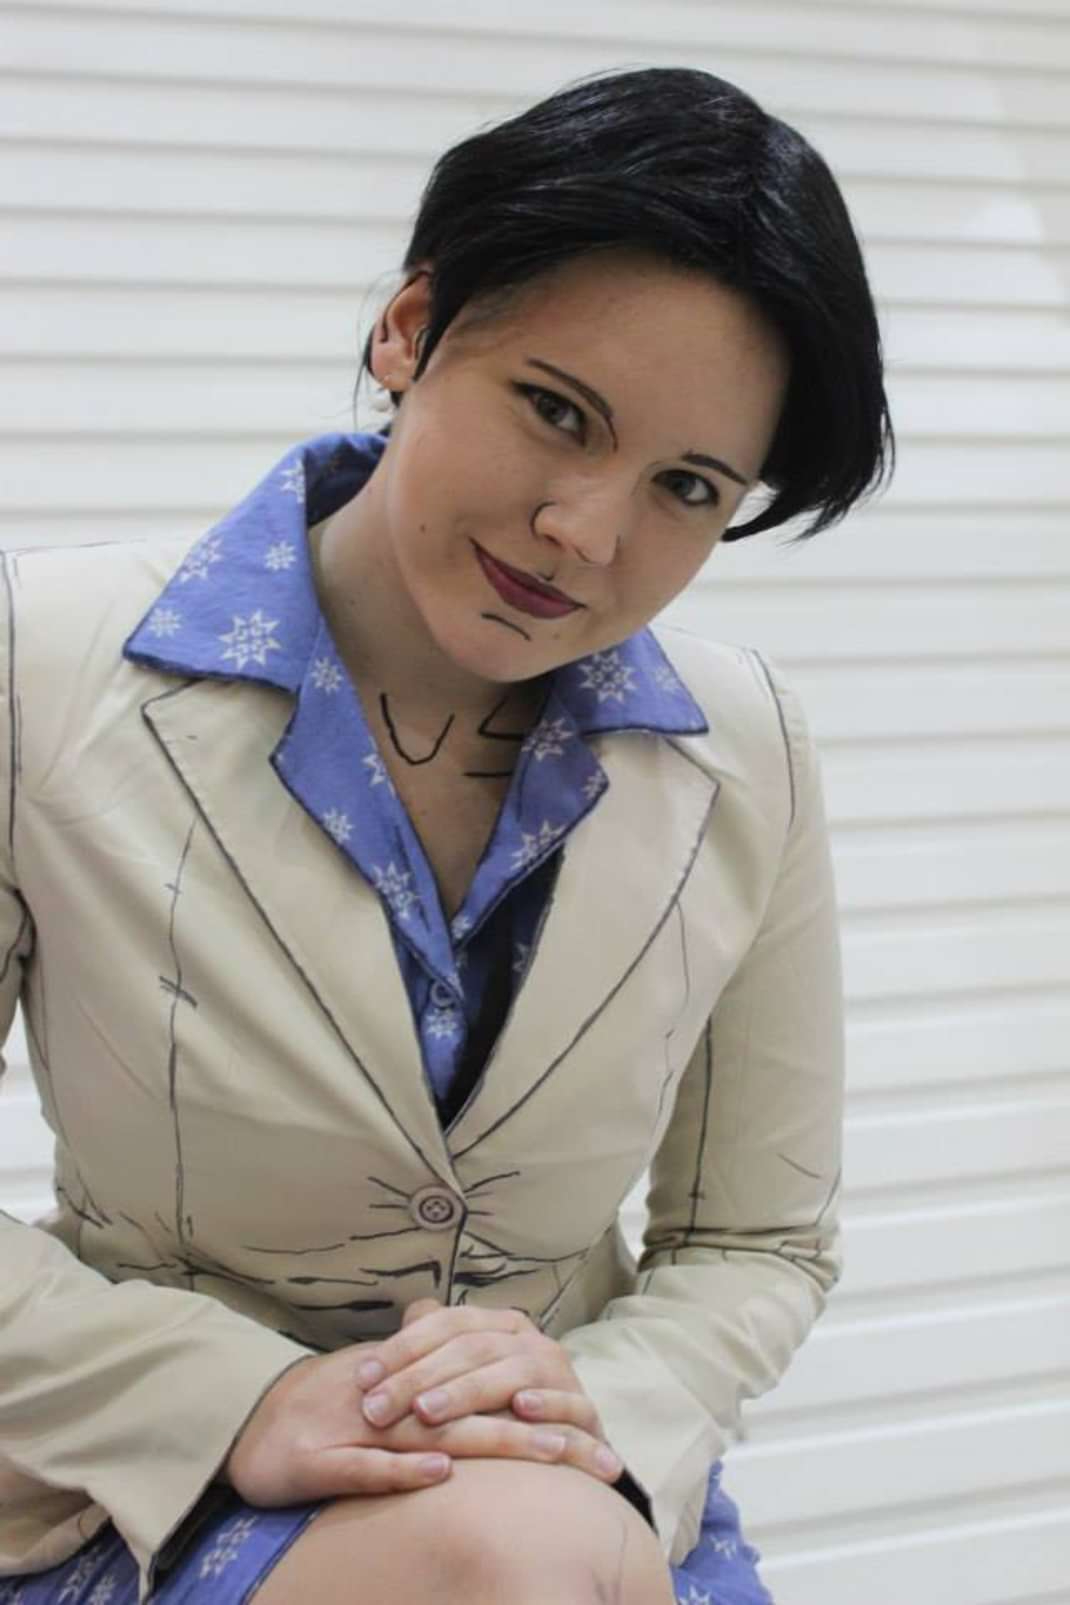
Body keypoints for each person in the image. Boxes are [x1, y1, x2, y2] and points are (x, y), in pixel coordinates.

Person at [0, 63, 892, 1605]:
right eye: (556, 411)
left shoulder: (748, 750)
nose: (586, 533)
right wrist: (241, 1394)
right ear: (408, 328)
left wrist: (582, 1406)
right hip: (149, 1478)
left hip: (581, 1482)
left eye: (686, 486)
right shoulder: (41, 663)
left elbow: (757, 1238)